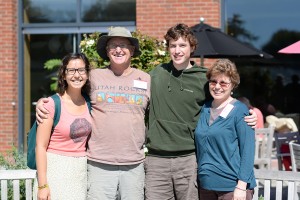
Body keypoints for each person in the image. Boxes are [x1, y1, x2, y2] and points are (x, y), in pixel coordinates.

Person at [145, 23, 257, 200]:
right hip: (156, 159)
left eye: (182, 45)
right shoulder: (155, 75)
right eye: (173, 45)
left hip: (188, 159)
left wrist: (250, 113)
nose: (177, 50)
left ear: (192, 48)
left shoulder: (204, 79)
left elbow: (226, 95)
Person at [36, 27, 150, 200]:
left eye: (123, 45)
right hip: (99, 164)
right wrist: (43, 102)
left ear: (132, 50)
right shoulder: (94, 77)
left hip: (134, 165)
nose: (118, 49)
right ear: (107, 50)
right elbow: (71, 92)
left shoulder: (146, 79)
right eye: (113, 45)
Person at [195, 59, 256, 200]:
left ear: (232, 85)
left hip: (232, 187)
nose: (217, 87)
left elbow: (248, 150)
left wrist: (241, 186)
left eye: (223, 83)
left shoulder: (240, 111)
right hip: (206, 186)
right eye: (213, 82)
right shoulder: (204, 109)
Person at [36, 53, 92, 200]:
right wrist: (43, 186)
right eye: (71, 70)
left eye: (81, 70)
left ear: (87, 74)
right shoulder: (52, 105)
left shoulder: (90, 102)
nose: (77, 75)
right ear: (64, 74)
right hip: (56, 170)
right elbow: (40, 146)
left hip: (80, 171)